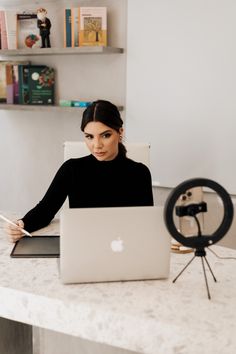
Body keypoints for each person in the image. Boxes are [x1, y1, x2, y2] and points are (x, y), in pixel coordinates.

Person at [6, 100, 154, 242]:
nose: (97, 145)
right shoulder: (71, 169)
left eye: (106, 135)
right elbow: (45, 210)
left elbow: (146, 225)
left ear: (120, 132)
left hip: (124, 248)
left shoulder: (140, 173)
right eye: (89, 137)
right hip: (82, 247)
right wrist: (22, 224)